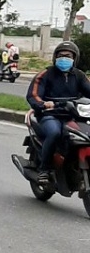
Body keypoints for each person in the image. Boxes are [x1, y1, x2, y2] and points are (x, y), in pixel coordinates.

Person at [26, 41, 90, 184]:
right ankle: (44, 170)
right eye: (61, 55)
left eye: (68, 56)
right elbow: (33, 95)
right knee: (54, 133)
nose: (64, 59)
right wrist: (43, 104)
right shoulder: (46, 74)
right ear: (55, 57)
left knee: (86, 135)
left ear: (75, 58)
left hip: (72, 115)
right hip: (50, 115)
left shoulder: (79, 75)